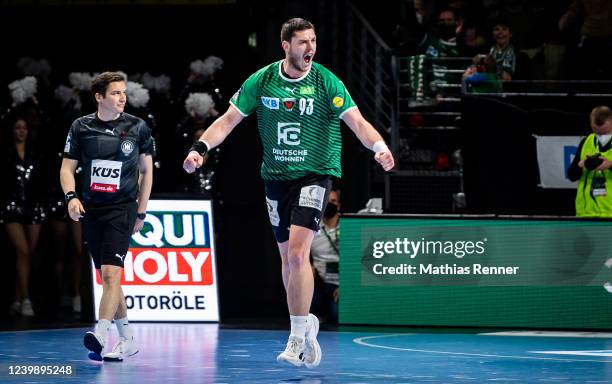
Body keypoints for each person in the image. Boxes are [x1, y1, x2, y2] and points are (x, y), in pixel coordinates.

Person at [183, 18, 395, 368]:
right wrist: (200, 147)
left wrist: (379, 147)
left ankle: (296, 336)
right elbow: (228, 120)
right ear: (286, 45)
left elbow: (356, 121)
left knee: (298, 254)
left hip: (316, 174)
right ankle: (306, 321)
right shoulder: (263, 80)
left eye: (313, 41)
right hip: (277, 177)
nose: (310, 49)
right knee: (287, 260)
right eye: (302, 43)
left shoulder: (325, 80)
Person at [59, 72, 154, 361]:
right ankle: (127, 340)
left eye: (123, 92)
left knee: (112, 273)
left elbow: (147, 171)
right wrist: (71, 198)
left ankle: (100, 333)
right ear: (99, 97)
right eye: (115, 93)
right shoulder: (81, 127)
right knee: (107, 276)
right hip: (91, 209)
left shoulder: (138, 127)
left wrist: (141, 210)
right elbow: (66, 169)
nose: (122, 97)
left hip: (122, 208)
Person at [1, 116, 46, 317]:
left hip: (33, 207)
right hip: (11, 208)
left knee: (27, 255)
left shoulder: (35, 152)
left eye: (24, 127)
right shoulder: (6, 153)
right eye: (17, 127)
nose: (21, 131)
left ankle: (17, 299)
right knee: (23, 252)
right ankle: (26, 299)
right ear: (12, 131)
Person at [568, 106, 612, 217]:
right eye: (596, 131)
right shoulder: (586, 141)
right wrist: (580, 165)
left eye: (605, 132)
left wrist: (610, 165)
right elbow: (572, 176)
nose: (601, 135)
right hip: (585, 214)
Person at [310, 188, 340, 324]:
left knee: (335, 314)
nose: (330, 204)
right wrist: (308, 264)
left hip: (342, 284)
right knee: (309, 311)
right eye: (326, 201)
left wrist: (347, 287)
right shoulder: (311, 228)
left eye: (333, 201)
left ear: (339, 205)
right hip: (320, 282)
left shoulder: (349, 227)